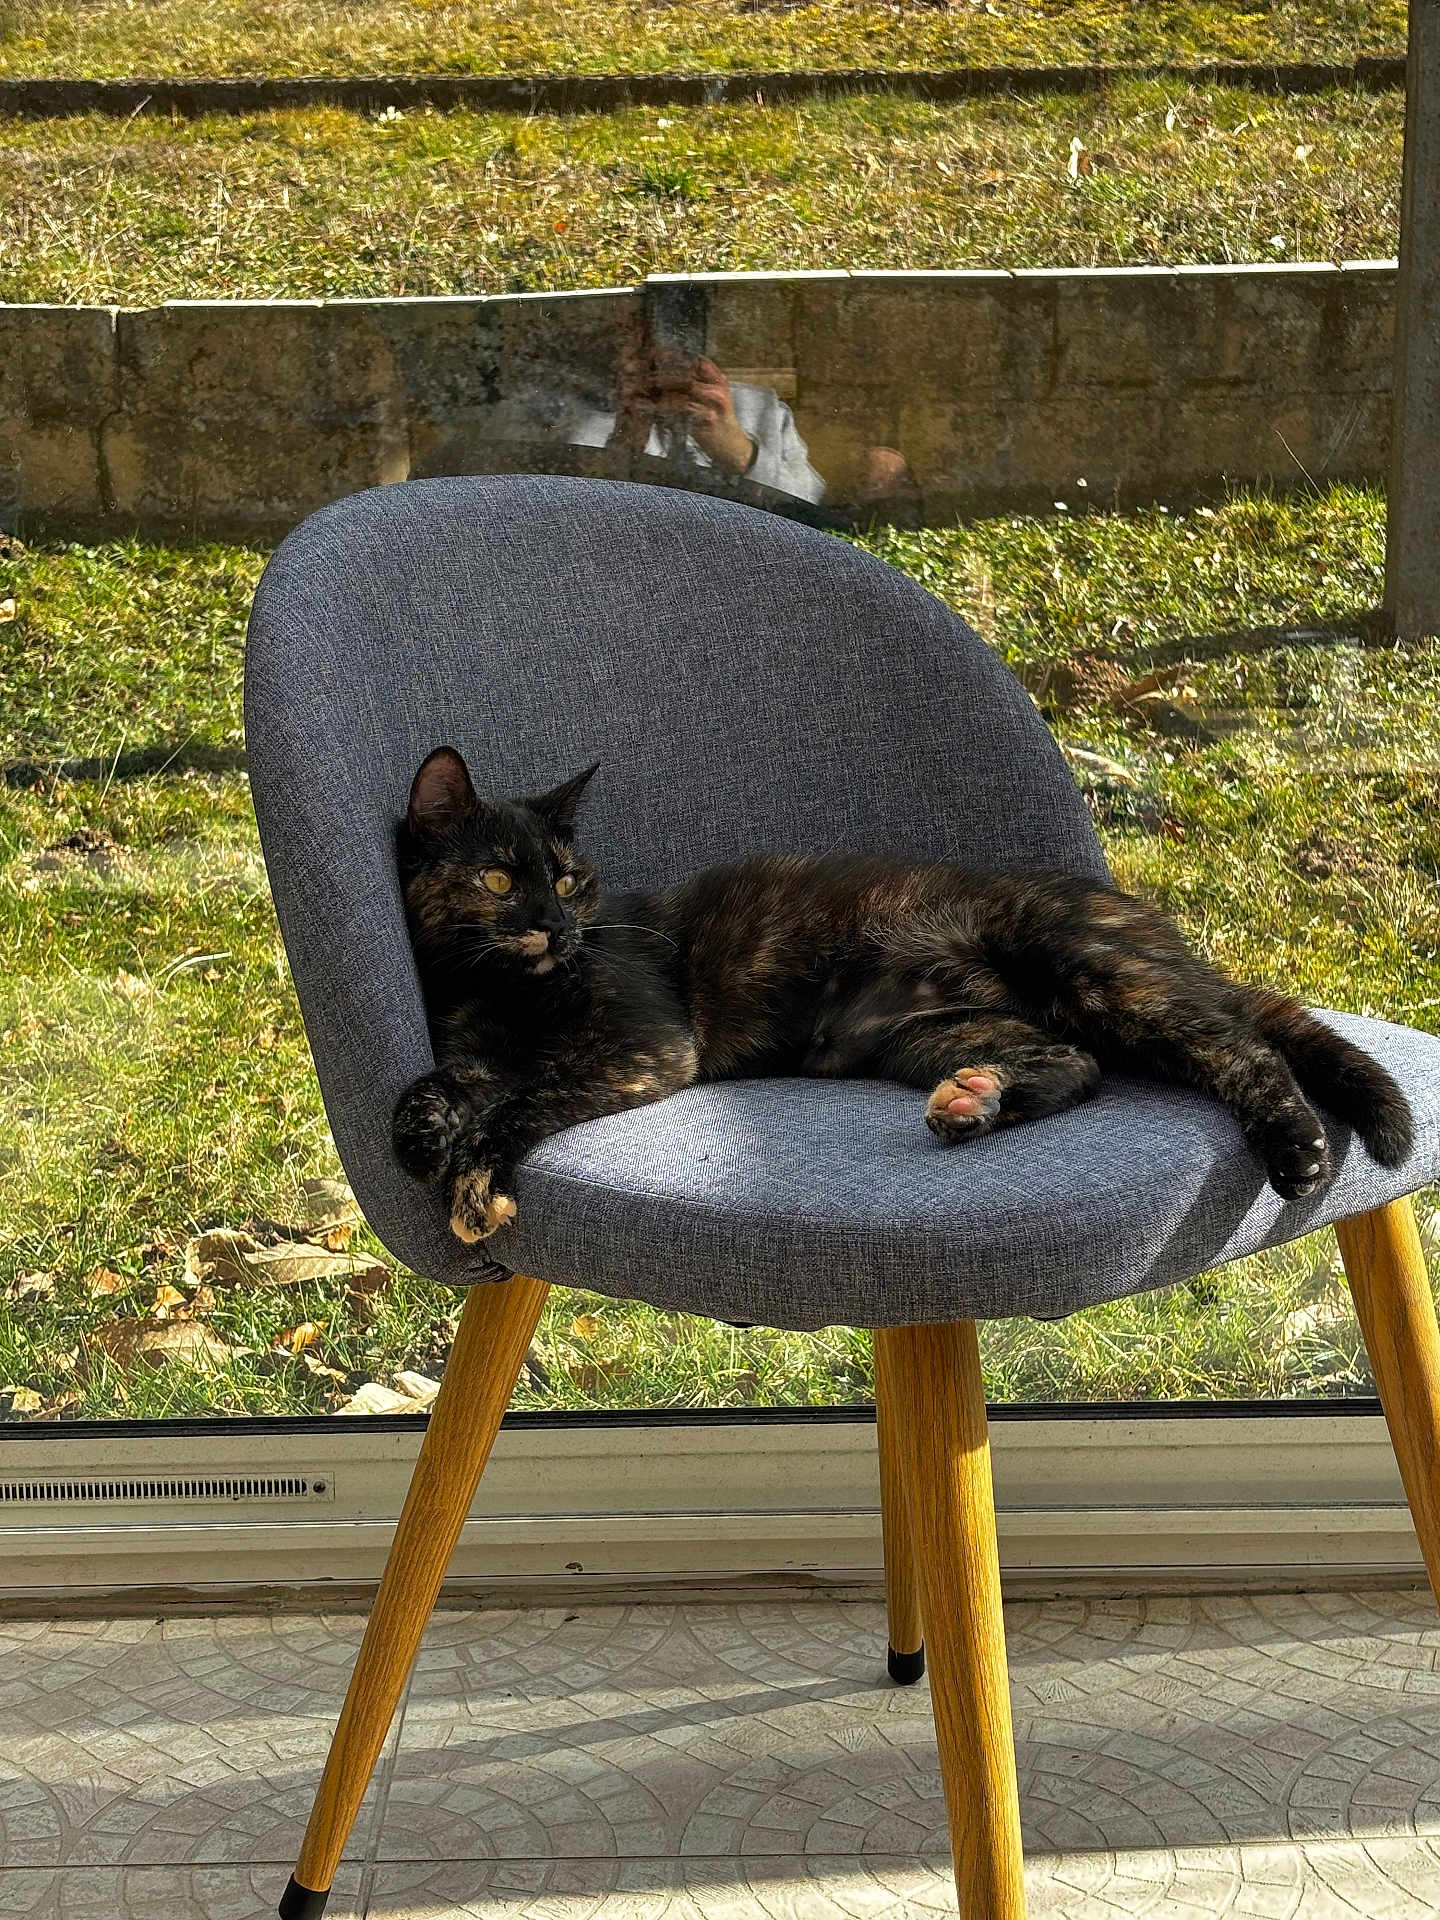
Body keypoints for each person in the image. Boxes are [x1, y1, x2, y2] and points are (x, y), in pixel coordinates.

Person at [567, 339, 827, 506]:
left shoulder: (762, 410)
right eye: (646, 344)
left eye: (684, 346)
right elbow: (580, 509)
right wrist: (629, 434)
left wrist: (739, 451)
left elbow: (810, 508)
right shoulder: (594, 422)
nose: (670, 363)